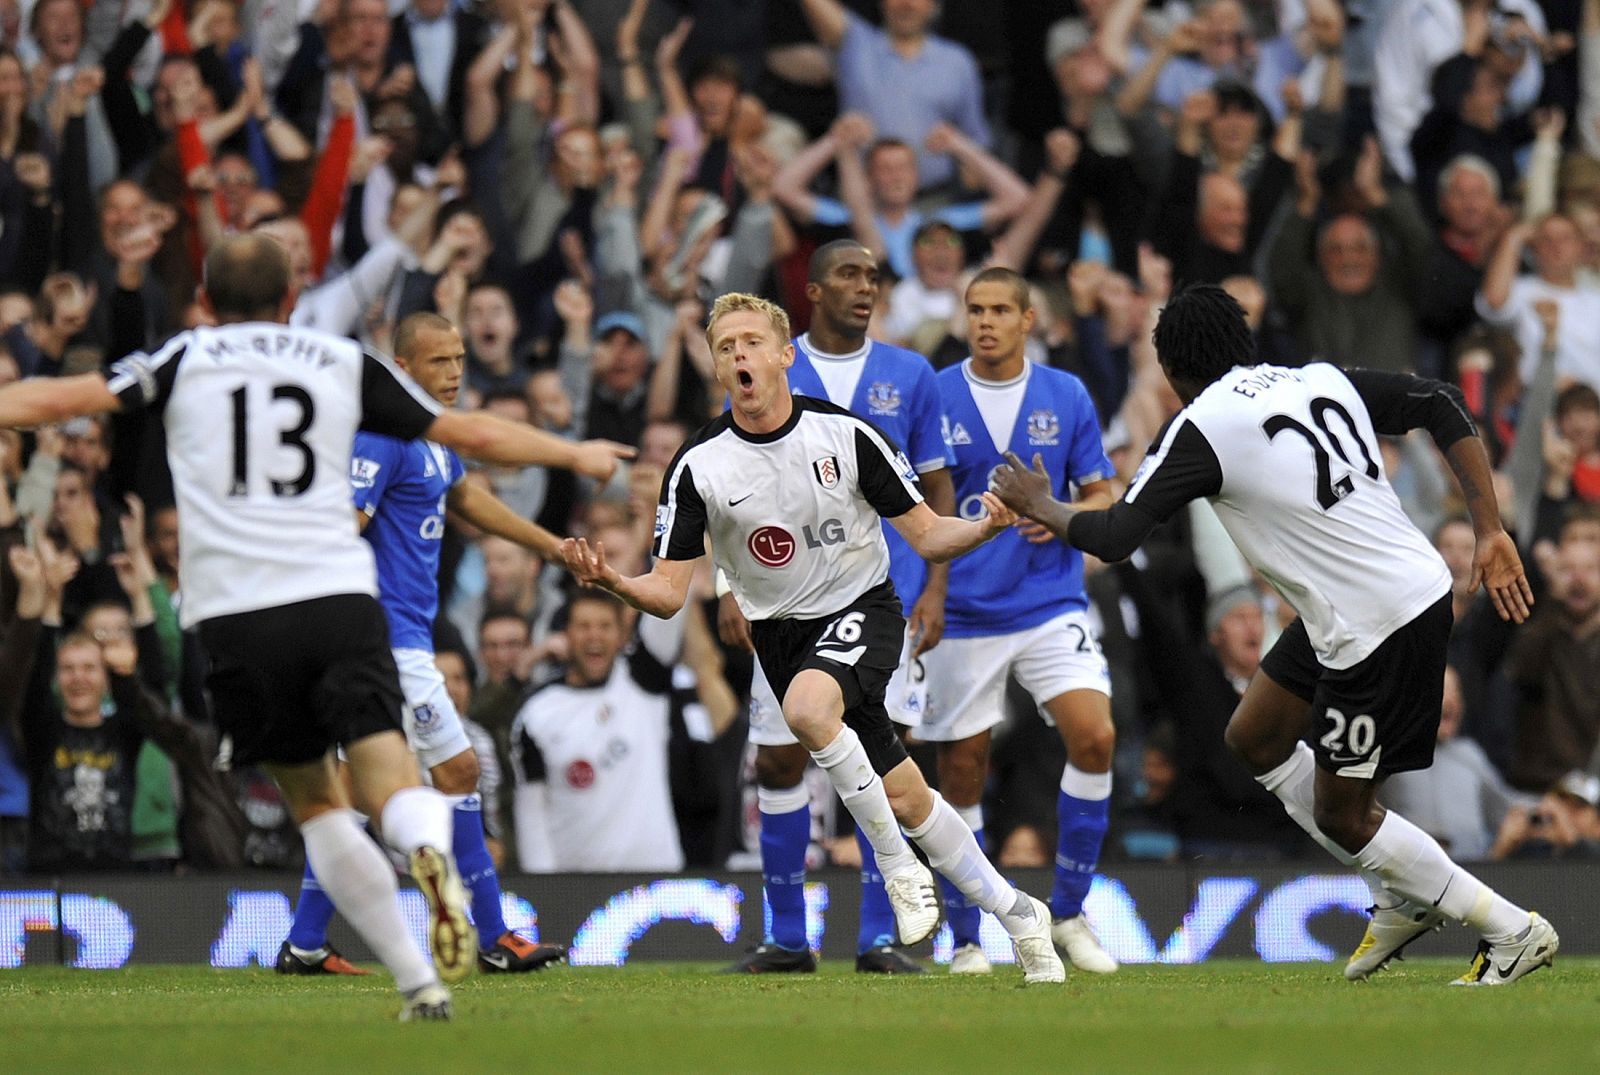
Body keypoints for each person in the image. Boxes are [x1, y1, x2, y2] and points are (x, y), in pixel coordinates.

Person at [0, 234, 631, 1020]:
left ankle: (418, 979)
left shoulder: (184, 356)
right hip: (339, 600)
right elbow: (470, 433)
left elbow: (63, 399)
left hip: (236, 611)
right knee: (396, 784)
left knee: (322, 806)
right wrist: (573, 452)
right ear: (291, 298)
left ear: (205, 300)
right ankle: (426, 847)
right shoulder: (339, 360)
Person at [992, 283, 1558, 987]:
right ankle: (1399, 893)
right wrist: (1489, 528)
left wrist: (1037, 501)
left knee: (1343, 814)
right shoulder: (1317, 379)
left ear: (1171, 370)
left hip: (1377, 622)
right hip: (1365, 601)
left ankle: (1510, 928)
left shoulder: (1202, 425)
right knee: (1254, 735)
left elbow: (1113, 535)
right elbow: (1440, 400)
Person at [561, 291, 1065, 985]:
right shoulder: (698, 465)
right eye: (725, 346)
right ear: (715, 367)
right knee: (910, 796)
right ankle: (1021, 915)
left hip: (865, 608)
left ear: (783, 355)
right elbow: (669, 592)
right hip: (782, 639)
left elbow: (926, 533)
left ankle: (894, 869)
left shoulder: (844, 435)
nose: (738, 354)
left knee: (804, 712)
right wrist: (612, 580)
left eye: (749, 342)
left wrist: (984, 525)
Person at [276, 312, 568, 978]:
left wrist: (552, 547)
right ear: (403, 369)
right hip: (386, 641)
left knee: (352, 793)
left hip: (402, 638)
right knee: (458, 771)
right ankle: (493, 934)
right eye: (440, 361)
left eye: (460, 358)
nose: (456, 371)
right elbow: (343, 524)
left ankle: (304, 943)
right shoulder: (381, 438)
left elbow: (472, 502)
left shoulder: (432, 440)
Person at [718, 240, 956, 975]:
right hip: (782, 599)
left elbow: (939, 488)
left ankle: (882, 936)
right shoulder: (771, 363)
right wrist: (728, 586)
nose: (865, 288)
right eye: (849, 275)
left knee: (888, 756)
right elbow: (725, 481)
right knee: (781, 759)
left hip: (885, 597)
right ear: (812, 293)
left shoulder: (911, 373)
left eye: (874, 278)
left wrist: (938, 588)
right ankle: (788, 935)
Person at [919, 267, 1118, 977]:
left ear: (1029, 319)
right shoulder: (933, 391)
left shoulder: (1066, 393)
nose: (986, 320)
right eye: (975, 308)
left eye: (1001, 308)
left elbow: (1104, 487)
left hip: (1047, 601)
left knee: (1094, 737)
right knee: (961, 771)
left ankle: (1068, 912)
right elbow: (916, 499)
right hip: (965, 606)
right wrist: (928, 591)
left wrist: (1065, 516)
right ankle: (968, 939)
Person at [510, 589, 738, 871]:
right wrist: (543, 888)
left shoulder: (642, 681)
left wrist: (683, 548)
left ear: (622, 635)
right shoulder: (537, 712)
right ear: (566, 634)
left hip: (656, 878)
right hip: (573, 890)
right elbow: (531, 813)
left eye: (605, 626)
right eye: (584, 626)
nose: (595, 636)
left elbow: (667, 605)